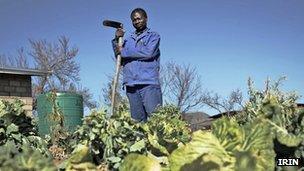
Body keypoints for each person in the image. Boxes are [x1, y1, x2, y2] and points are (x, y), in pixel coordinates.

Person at [112, 8, 162, 122]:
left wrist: (124, 51)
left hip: (148, 83)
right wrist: (116, 39)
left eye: (139, 18)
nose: (137, 21)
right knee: (137, 123)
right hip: (131, 85)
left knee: (157, 120)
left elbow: (148, 53)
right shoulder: (127, 40)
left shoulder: (153, 36)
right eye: (134, 20)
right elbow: (119, 56)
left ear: (146, 18)